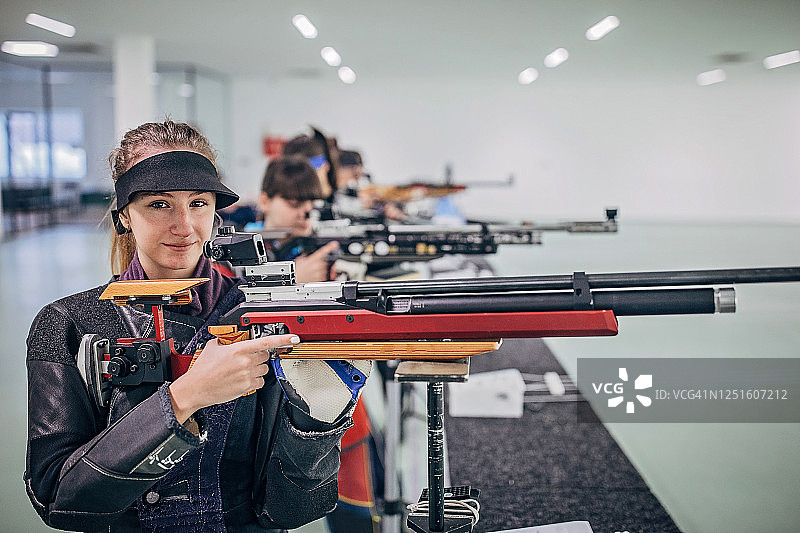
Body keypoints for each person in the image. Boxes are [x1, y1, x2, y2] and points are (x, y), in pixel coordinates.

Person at [24, 120, 370, 533]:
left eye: (199, 203)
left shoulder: (263, 313)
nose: (184, 226)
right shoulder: (69, 324)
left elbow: (293, 510)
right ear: (124, 217)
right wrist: (183, 398)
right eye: (159, 204)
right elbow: (60, 501)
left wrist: (318, 422)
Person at [251, 155, 340, 283]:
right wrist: (293, 281)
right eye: (295, 203)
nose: (306, 215)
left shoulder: (315, 247)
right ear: (264, 201)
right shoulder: (240, 250)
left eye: (312, 204)